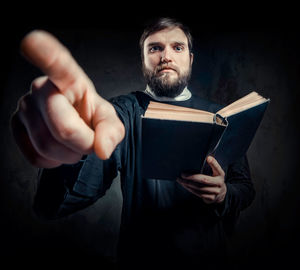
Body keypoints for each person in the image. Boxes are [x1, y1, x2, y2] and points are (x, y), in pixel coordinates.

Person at [11, 18, 255, 269]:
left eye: (177, 47)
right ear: (144, 60)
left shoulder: (221, 117)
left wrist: (224, 195)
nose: (166, 56)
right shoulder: (122, 113)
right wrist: (68, 146)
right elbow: (53, 204)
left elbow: (245, 187)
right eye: (155, 48)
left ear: (190, 59)